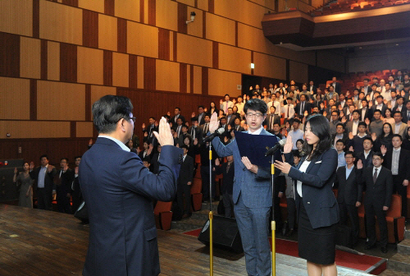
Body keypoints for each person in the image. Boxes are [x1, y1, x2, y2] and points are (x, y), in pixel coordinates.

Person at [79, 95, 182, 276]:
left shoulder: (88, 157)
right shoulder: (123, 159)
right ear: (123, 124)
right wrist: (168, 147)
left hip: (101, 254)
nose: (133, 123)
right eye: (132, 119)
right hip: (128, 258)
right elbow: (165, 189)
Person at [209, 98, 293, 276]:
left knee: (262, 245)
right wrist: (213, 133)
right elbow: (224, 151)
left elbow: (276, 172)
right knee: (247, 245)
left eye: (257, 115)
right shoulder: (240, 137)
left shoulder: (272, 139)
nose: (253, 118)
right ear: (245, 117)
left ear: (263, 117)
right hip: (239, 199)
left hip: (259, 200)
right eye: (249, 115)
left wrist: (256, 169)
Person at [275, 114, 339, 276]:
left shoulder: (330, 153)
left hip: (322, 213)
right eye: (306, 130)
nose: (307, 133)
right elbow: (296, 171)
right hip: (305, 212)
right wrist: (288, 155)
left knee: (326, 259)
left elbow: (319, 180)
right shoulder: (308, 153)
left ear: (321, 130)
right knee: (310, 256)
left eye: (311, 130)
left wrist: (291, 170)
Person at [357, 152, 393, 253]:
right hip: (368, 201)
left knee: (382, 224)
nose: (375, 161)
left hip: (381, 202)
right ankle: (371, 243)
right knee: (369, 223)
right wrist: (359, 170)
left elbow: (389, 190)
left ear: (382, 160)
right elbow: (360, 181)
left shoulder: (387, 172)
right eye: (374, 159)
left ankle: (383, 244)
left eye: (377, 159)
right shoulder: (367, 170)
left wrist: (387, 204)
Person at [334, 151, 362, 246]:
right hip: (341, 199)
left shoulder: (357, 170)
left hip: (352, 200)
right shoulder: (340, 169)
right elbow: (336, 183)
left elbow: (360, 186)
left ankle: (354, 241)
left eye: (350, 157)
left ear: (354, 159)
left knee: (354, 221)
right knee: (342, 220)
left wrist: (358, 199)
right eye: (346, 157)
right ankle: (343, 240)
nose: (348, 159)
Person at [380, 134, 410, 218]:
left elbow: (408, 167)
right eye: (393, 140)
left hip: (401, 178)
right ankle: (391, 215)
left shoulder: (406, 152)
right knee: (389, 196)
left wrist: (407, 178)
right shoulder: (388, 152)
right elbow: (384, 165)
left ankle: (403, 217)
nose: (395, 142)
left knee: (402, 198)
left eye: (397, 140)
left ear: (401, 142)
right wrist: (383, 155)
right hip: (390, 178)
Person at [175, 145, 194, 219]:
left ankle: (187, 211)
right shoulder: (178, 159)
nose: (182, 150)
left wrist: (190, 180)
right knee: (179, 197)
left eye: (183, 149)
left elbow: (191, 170)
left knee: (187, 197)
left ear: (187, 150)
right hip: (179, 180)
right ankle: (181, 211)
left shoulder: (190, 159)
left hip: (186, 181)